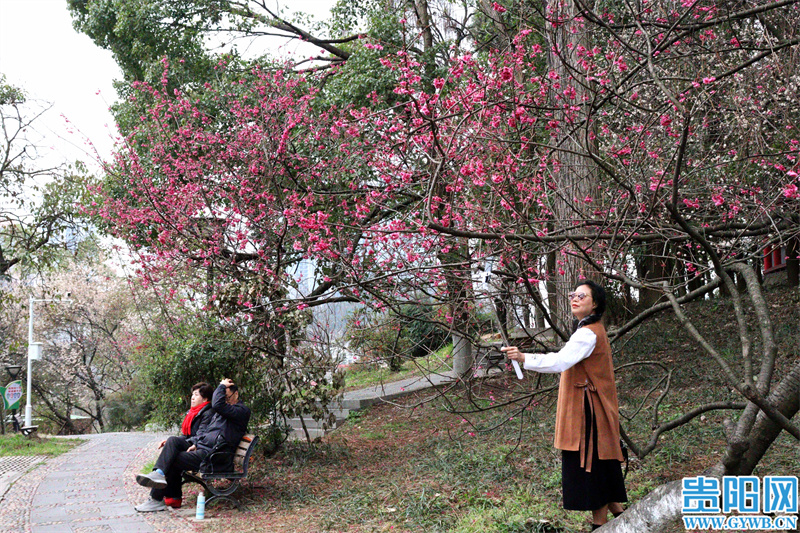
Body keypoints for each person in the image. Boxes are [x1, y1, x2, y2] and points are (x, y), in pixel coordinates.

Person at [501, 280, 627, 530]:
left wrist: (524, 357)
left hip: (588, 412)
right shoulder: (589, 329)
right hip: (590, 409)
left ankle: (600, 527)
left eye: (582, 295)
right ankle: (624, 517)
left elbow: (560, 362)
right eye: (574, 294)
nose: (575, 298)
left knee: (592, 467)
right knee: (602, 466)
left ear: (595, 303)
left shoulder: (588, 333)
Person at [134, 378, 251, 512]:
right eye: (222, 396)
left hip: (215, 457)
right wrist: (196, 443)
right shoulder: (223, 414)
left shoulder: (241, 411)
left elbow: (217, 405)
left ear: (236, 394)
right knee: (173, 441)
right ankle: (159, 474)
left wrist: (221, 386)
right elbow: (208, 432)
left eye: (226, 396)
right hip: (205, 450)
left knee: (173, 459)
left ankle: (157, 499)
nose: (224, 400)